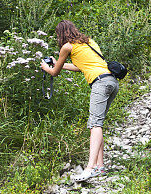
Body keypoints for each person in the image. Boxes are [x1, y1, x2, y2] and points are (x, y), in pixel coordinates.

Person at [40, 20, 119, 182]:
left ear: (60, 34)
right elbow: (80, 66)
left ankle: (89, 169)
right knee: (98, 123)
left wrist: (46, 68)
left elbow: (54, 73)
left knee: (95, 125)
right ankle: (100, 167)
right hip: (112, 81)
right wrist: (58, 63)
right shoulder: (89, 42)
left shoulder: (67, 47)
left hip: (100, 83)